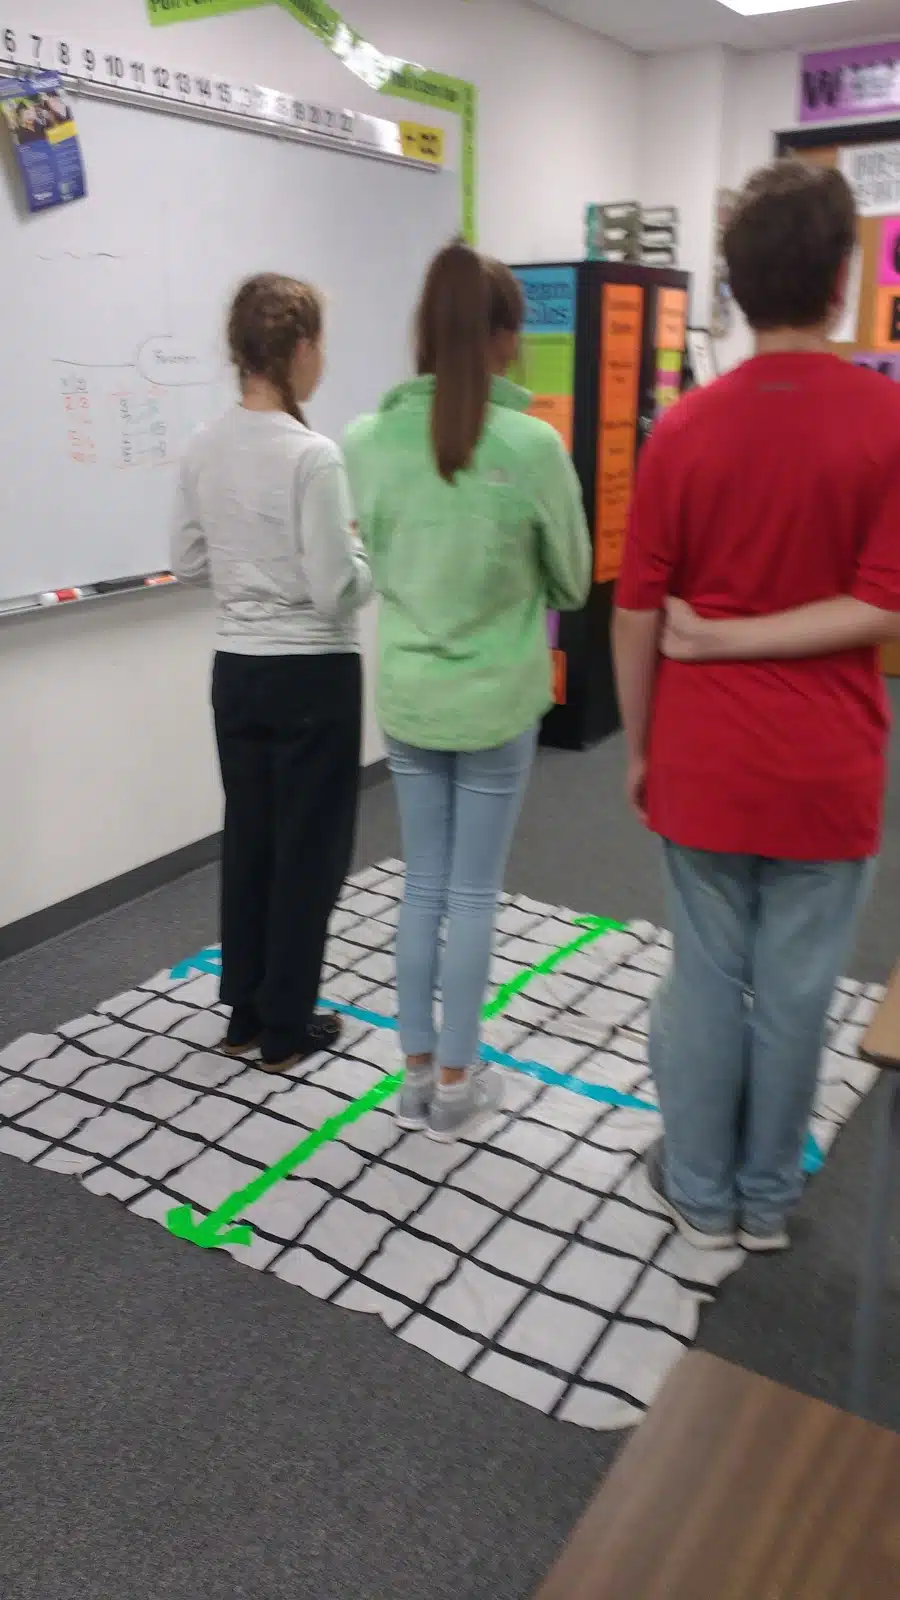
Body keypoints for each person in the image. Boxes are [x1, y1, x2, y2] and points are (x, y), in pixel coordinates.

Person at [613, 158, 900, 1255]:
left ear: (732, 282)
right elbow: (883, 604)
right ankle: (768, 1195)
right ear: (841, 278)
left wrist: (644, 747)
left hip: (703, 758)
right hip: (830, 769)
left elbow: (637, 617)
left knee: (706, 982)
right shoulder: (886, 421)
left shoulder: (683, 429)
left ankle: (699, 1184)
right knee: (797, 993)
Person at [344, 242, 591, 1143]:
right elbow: (572, 582)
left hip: (410, 697)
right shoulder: (532, 445)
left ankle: (413, 1079)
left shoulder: (366, 441)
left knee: (423, 887)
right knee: (474, 895)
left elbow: (370, 555)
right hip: (495, 701)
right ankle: (458, 1081)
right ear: (503, 339)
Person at [171, 272, 372, 1072]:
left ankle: (245, 1013)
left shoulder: (202, 444)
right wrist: (365, 550)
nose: (321, 360)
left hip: (237, 670)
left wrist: (247, 567)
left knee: (251, 838)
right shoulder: (311, 455)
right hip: (313, 675)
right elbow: (337, 587)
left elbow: (186, 559)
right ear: (296, 350)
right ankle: (289, 1025)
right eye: (319, 344)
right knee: (309, 852)